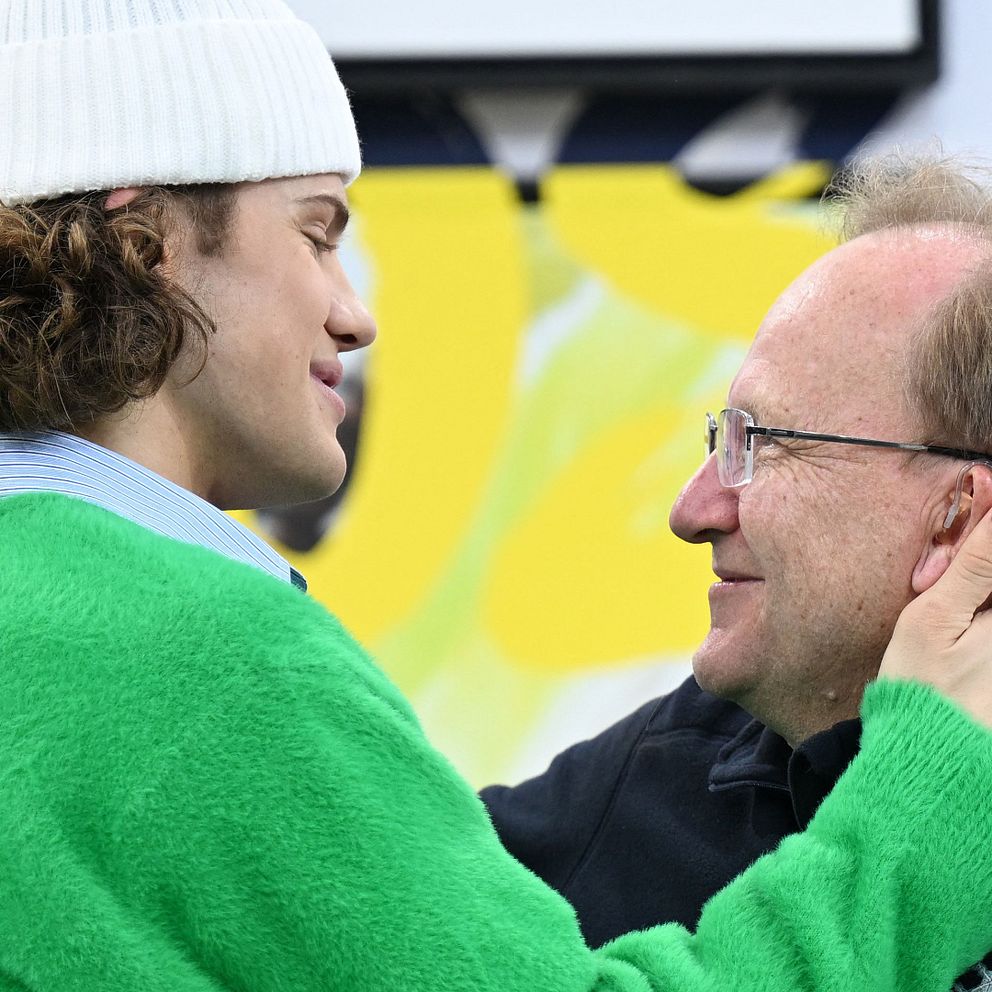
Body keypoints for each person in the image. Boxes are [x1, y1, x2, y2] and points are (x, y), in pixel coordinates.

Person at [0, 3, 990, 988]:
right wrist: (927, 811)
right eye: (316, 233)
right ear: (153, 243)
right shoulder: (215, 662)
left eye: (760, 445)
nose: (354, 315)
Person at [482, 155, 992, 989]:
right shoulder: (639, 792)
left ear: (959, 517)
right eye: (724, 437)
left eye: (763, 442)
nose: (693, 510)